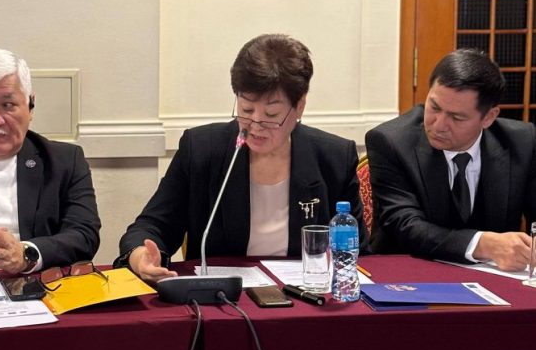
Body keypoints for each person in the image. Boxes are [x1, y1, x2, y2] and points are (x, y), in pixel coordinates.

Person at [116, 33, 368, 280]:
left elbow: (359, 253)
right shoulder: (201, 149)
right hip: (224, 297)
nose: (255, 124)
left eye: (271, 115)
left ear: (299, 106)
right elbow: (152, 226)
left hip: (307, 295)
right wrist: (141, 257)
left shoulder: (334, 157)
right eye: (246, 109)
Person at [365, 48, 536, 271]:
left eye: (457, 117)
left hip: (496, 277)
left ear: (489, 117)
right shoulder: (391, 142)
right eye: (434, 107)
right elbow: (404, 225)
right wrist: (482, 244)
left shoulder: (522, 142)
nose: (439, 125)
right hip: (408, 273)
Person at [0, 48, 101, 276]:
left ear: (30, 105)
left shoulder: (65, 161)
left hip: (36, 286)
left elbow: (84, 235)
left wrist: (27, 254)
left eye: (8, 105)